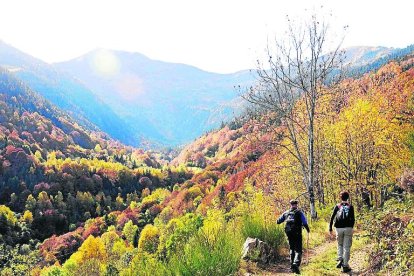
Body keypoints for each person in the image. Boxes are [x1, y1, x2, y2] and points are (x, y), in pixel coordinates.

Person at [277, 199, 310, 274]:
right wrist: (308, 229)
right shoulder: (299, 212)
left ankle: (292, 266)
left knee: (291, 247)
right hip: (297, 232)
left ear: (291, 205)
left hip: (288, 231)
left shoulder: (286, 212)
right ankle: (296, 263)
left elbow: (278, 221)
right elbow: (304, 222)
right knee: (298, 249)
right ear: (296, 204)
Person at [329, 191, 355, 273]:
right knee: (346, 247)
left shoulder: (337, 206)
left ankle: (340, 258)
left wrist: (330, 228)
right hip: (348, 228)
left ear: (341, 198)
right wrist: (351, 228)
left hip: (338, 228)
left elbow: (332, 217)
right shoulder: (351, 207)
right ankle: (345, 265)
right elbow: (353, 219)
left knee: (340, 244)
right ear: (348, 198)